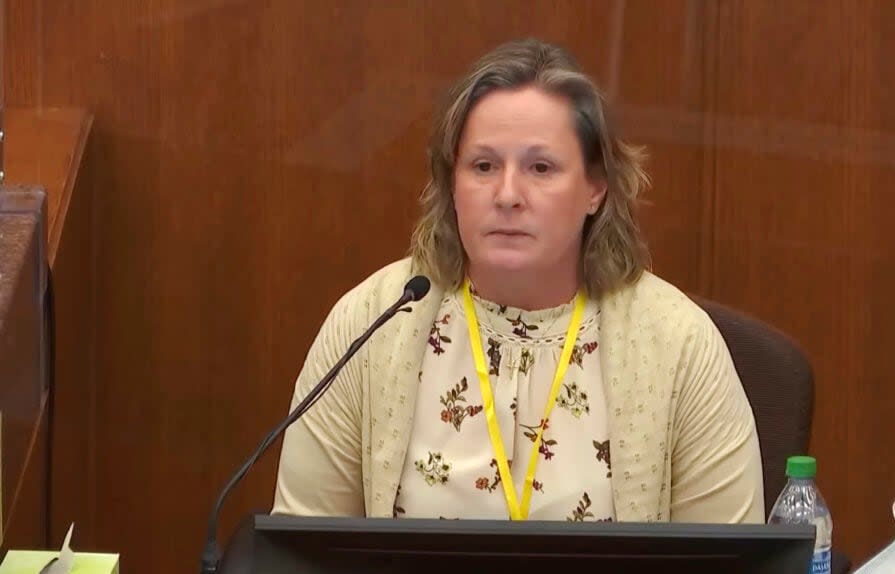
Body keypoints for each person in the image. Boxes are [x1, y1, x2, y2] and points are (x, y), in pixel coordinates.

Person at [271, 37, 764, 524]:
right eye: (483, 166)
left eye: (540, 167)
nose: (507, 194)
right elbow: (301, 552)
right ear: (452, 184)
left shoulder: (678, 343)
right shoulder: (370, 325)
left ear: (596, 187)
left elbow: (730, 561)